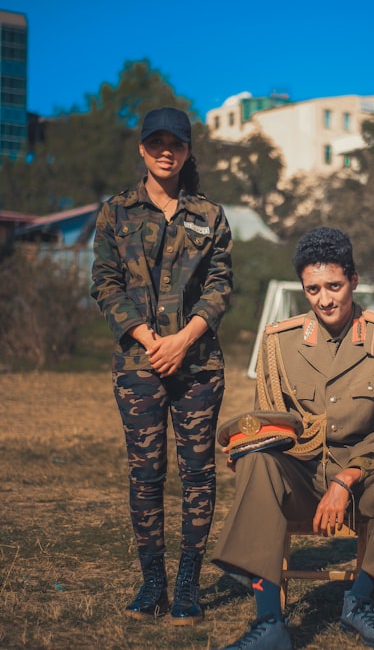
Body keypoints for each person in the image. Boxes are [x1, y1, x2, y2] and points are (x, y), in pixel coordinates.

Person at [212, 227, 374, 650]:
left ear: (353, 280)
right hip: (300, 479)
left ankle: (360, 601)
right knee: (257, 460)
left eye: (334, 285)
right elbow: (270, 426)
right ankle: (270, 623)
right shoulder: (280, 342)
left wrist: (345, 479)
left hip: (362, 483)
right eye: (313, 288)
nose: (325, 298)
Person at [90, 107, 233, 626]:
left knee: (198, 476)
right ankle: (152, 584)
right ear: (142, 150)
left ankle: (189, 585)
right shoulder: (116, 212)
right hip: (138, 365)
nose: (165, 150)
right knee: (145, 475)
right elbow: (104, 283)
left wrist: (184, 339)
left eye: (175, 142)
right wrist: (152, 341)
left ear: (189, 150)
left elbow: (220, 286)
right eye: (156, 142)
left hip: (198, 367)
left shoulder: (210, 216)